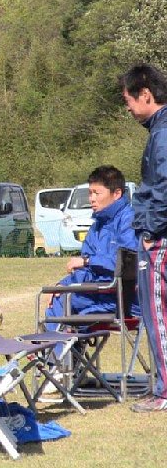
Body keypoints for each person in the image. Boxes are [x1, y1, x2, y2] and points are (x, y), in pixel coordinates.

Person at [120, 63, 167, 412]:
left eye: (128, 100)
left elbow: (163, 186)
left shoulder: (162, 135)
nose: (127, 109)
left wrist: (150, 231)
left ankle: (164, 392)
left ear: (146, 94)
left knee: (157, 313)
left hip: (159, 238)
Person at [44, 166, 138, 331]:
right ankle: (57, 344)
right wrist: (63, 285)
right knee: (58, 296)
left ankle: (55, 345)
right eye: (90, 193)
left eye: (97, 193)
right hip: (98, 294)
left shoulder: (129, 220)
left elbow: (128, 264)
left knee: (65, 303)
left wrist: (88, 261)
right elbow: (86, 271)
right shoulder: (97, 226)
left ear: (117, 193)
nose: (91, 199)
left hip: (124, 298)